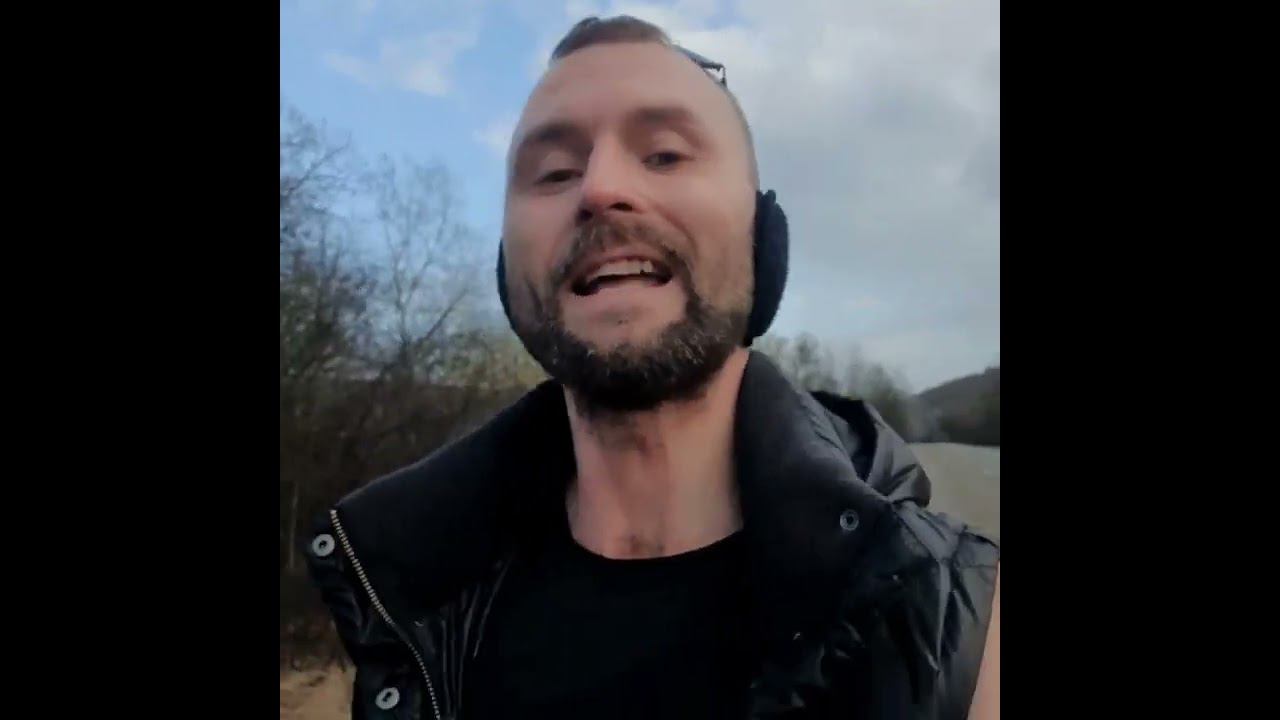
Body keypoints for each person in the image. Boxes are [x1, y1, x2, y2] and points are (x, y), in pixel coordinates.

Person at [306, 15, 999, 720]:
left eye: (664, 155)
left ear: (762, 237)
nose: (599, 188)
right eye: (555, 172)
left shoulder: (957, 630)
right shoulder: (410, 605)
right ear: (508, 268)